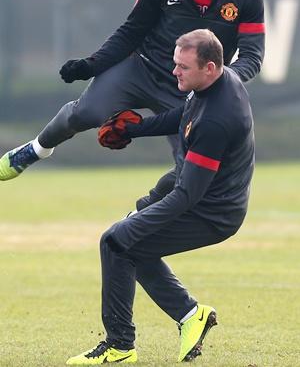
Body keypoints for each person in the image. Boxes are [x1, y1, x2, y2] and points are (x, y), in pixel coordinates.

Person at [0, 0, 264, 182]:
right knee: (86, 113)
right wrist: (93, 64)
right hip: (142, 69)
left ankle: (141, 219)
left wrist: (218, 83)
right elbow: (132, 31)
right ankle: (35, 150)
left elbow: (252, 56)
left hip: (190, 89)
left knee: (192, 171)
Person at [66, 28, 255, 364]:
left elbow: (187, 196)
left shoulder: (218, 120)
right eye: (175, 64)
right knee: (129, 240)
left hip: (212, 213)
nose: (174, 72)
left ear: (209, 67)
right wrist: (133, 130)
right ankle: (190, 315)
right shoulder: (210, 83)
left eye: (183, 67)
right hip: (192, 185)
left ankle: (119, 344)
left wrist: (132, 227)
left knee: (117, 241)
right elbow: (184, 116)